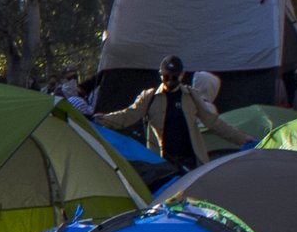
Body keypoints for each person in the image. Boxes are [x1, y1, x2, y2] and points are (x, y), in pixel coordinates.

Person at [93, 56, 246, 170]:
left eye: (175, 76)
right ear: (161, 74)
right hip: (162, 164)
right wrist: (102, 120)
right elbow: (128, 116)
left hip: (191, 162)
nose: (170, 80)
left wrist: (243, 139)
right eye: (167, 76)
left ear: (181, 75)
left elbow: (214, 122)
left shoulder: (192, 96)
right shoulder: (150, 97)